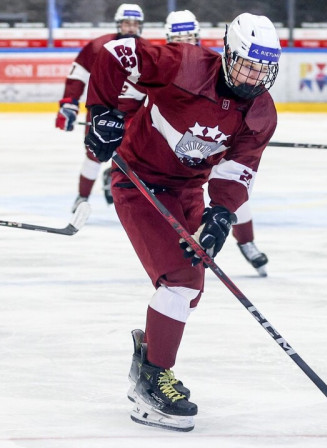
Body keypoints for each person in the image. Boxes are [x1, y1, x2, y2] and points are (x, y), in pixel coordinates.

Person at [84, 13, 280, 431]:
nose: (253, 77)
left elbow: (239, 167)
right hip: (139, 181)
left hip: (188, 188)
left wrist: (221, 214)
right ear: (227, 54)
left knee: (191, 289)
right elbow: (115, 54)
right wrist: (101, 111)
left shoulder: (260, 111)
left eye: (263, 69)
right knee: (179, 281)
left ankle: (148, 354)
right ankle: (152, 379)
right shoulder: (184, 64)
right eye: (247, 64)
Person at [164, 9, 269, 276]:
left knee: (234, 193)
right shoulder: (164, 65)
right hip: (180, 153)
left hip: (213, 147)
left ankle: (246, 242)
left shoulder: (212, 65)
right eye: (178, 38)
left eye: (189, 37)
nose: (184, 43)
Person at [55, 3, 147, 212]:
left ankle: (117, 181)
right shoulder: (98, 47)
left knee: (135, 157)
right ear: (118, 24)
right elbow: (77, 76)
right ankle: (82, 197)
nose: (131, 28)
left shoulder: (149, 51)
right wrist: (69, 103)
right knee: (94, 154)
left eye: (135, 24)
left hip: (133, 113)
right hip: (101, 111)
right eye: (126, 23)